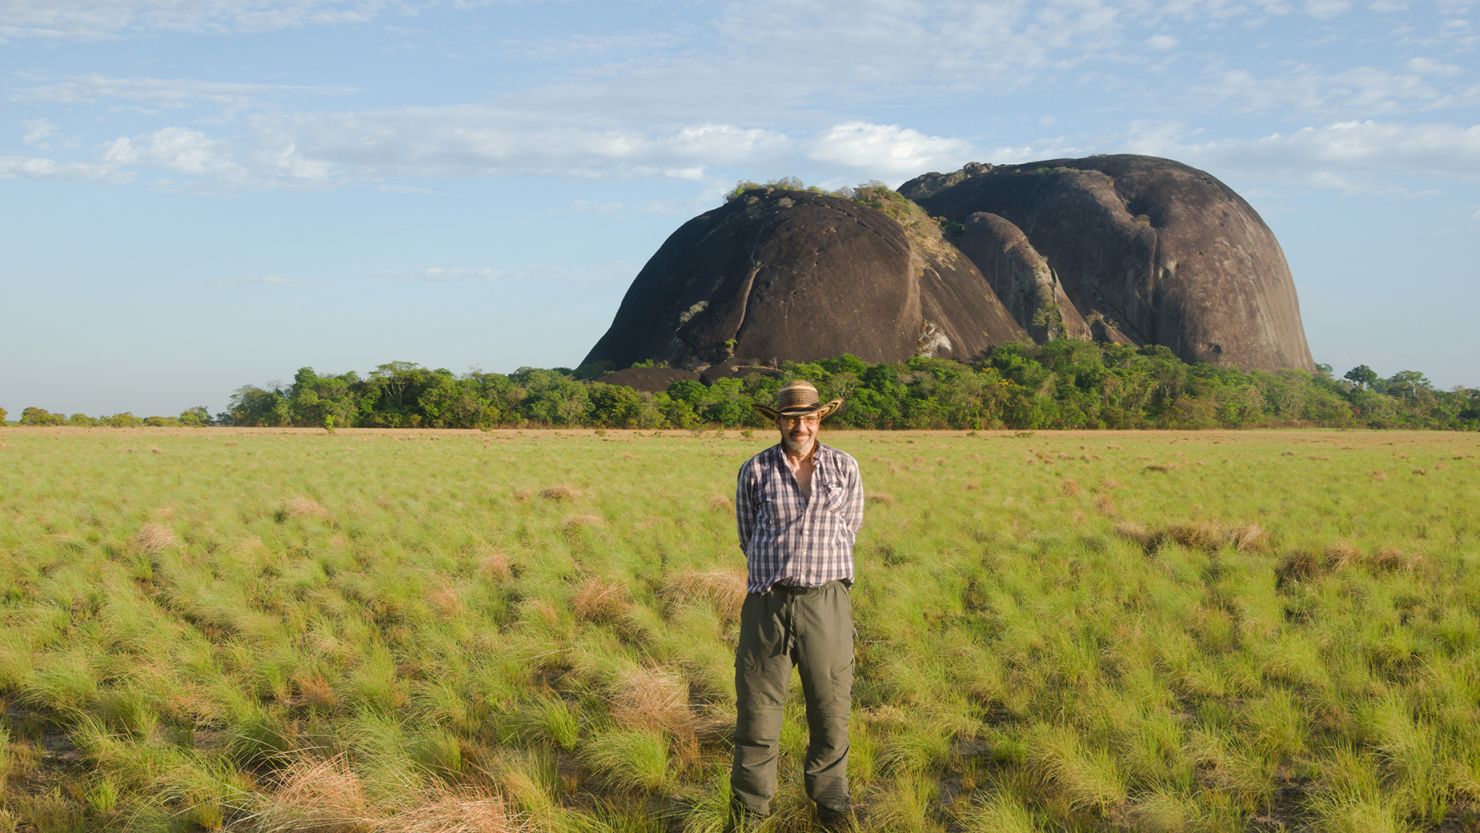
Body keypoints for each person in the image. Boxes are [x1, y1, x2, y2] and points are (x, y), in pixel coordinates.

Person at [730, 380, 864, 830]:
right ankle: (749, 811)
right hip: (768, 603)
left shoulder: (845, 467)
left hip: (826, 602)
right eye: (790, 419)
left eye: (807, 418)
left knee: (830, 708)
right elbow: (748, 535)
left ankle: (831, 804)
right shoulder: (755, 470)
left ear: (820, 419)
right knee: (757, 713)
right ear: (778, 422)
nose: (799, 426)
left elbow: (851, 526)